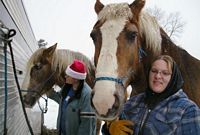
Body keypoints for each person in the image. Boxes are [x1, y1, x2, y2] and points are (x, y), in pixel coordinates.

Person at [102, 55, 200, 135]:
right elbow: (115, 125)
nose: (157, 76)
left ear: (173, 78)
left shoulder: (187, 110)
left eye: (165, 73)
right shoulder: (133, 102)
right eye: (154, 71)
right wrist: (109, 128)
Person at [48, 59, 96, 135]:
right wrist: (49, 92)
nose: (65, 76)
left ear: (76, 79)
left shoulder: (87, 95)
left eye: (68, 75)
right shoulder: (67, 87)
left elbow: (87, 125)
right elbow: (61, 101)